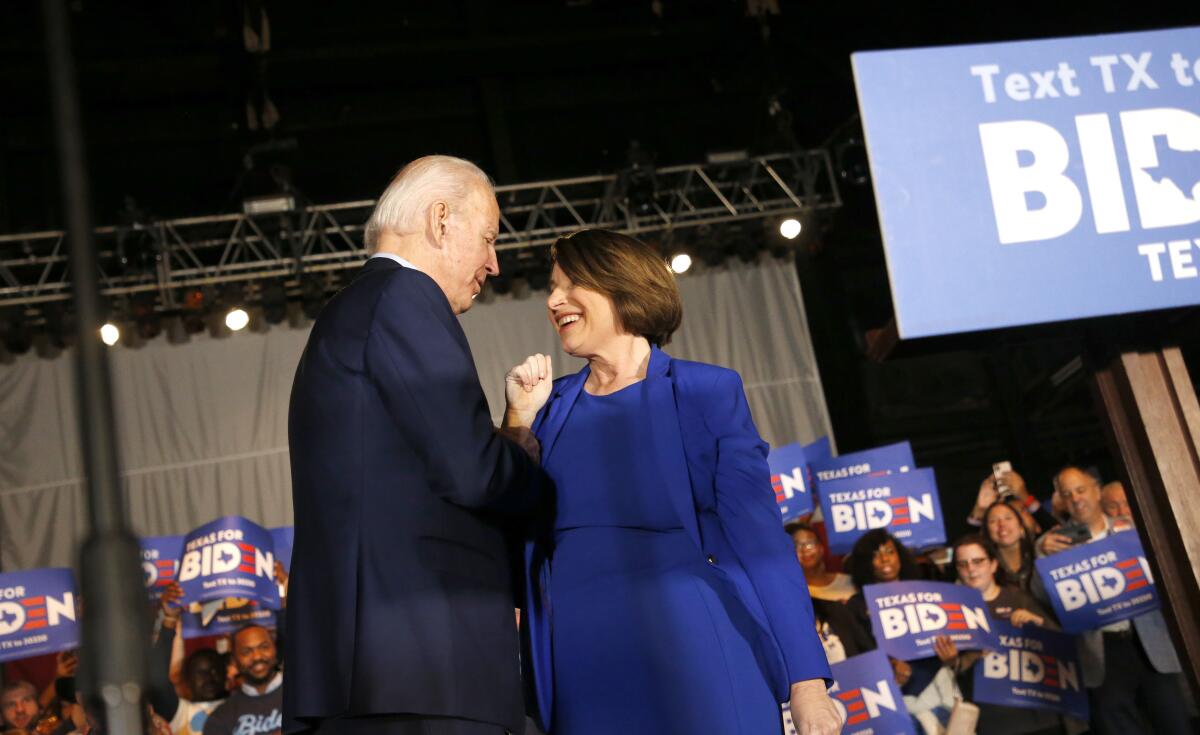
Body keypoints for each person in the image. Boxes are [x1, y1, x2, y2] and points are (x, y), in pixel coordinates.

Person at [504, 229, 839, 734]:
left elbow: (761, 539)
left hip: (699, 650)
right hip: (582, 663)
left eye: (571, 283)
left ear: (622, 285)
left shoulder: (707, 391)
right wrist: (516, 423)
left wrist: (807, 683)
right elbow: (505, 524)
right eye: (553, 287)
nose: (554, 300)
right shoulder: (544, 408)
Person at [283, 155, 544, 735]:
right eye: (489, 237)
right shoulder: (405, 297)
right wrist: (530, 453)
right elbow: (474, 472)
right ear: (441, 219)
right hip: (422, 671)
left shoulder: (354, 308)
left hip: (375, 674)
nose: (494, 263)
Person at [1037, 466, 1189, 735]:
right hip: (1102, 653)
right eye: (1067, 494)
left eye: (1081, 490)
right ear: (1061, 501)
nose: (1075, 498)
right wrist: (1042, 555)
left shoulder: (1133, 528)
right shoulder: (1054, 544)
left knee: (1175, 723)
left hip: (1149, 643)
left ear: (1097, 491)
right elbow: (1041, 595)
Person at [935, 535, 1060, 735]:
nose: (971, 569)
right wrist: (953, 662)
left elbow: (1061, 643)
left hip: (1037, 713)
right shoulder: (949, 611)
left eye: (978, 561)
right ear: (958, 570)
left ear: (993, 565)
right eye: (963, 564)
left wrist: (1037, 622)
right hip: (991, 719)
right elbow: (955, 667)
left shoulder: (1018, 597)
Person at [148, 582, 228, 735]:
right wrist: (169, 620)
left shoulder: (241, 705)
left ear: (226, 676)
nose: (210, 677)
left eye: (215, 670)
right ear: (187, 681)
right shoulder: (180, 713)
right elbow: (157, 679)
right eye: (201, 673)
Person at [203, 625, 282, 735]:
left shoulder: (305, 696)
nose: (257, 657)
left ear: (275, 650)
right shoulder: (220, 718)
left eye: (264, 647)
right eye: (246, 652)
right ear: (234, 660)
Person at [786, 522, 856, 602]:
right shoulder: (791, 593)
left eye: (810, 544)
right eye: (796, 547)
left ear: (821, 548)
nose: (805, 550)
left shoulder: (851, 581)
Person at [981, 501, 1038, 593]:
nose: (1002, 524)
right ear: (987, 532)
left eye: (1008, 518)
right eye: (993, 521)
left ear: (1021, 527)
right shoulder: (985, 567)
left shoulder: (1039, 552)